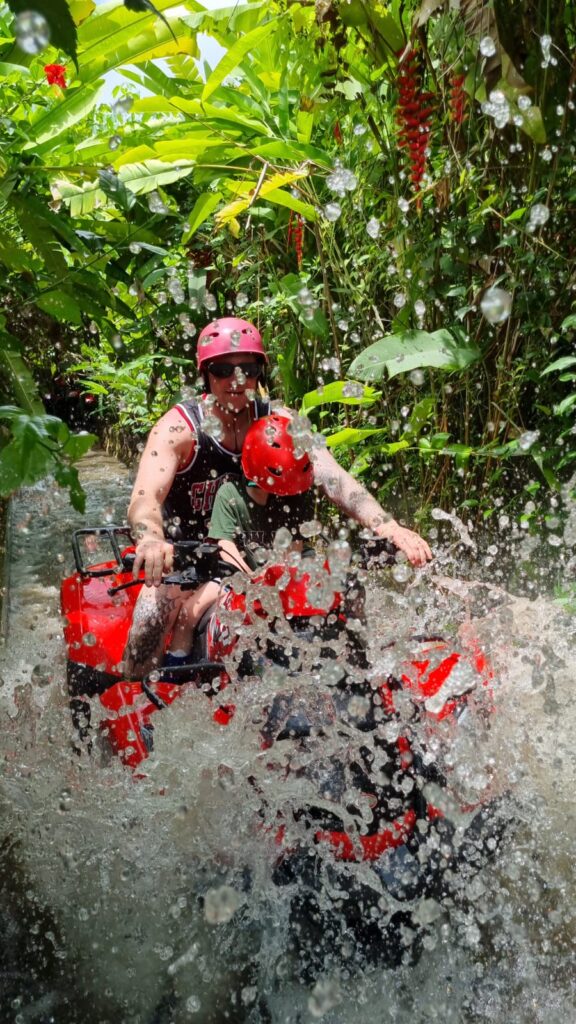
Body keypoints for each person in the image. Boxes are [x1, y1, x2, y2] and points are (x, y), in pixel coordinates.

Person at [124, 317, 432, 679]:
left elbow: (333, 478)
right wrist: (151, 539)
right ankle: (140, 692)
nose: (237, 380)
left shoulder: (282, 422)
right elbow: (145, 497)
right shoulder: (178, 430)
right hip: (189, 562)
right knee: (150, 615)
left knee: (347, 594)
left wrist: (387, 526)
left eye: (248, 370)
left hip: (268, 565)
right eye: (223, 370)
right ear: (206, 374)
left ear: (260, 373)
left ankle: (363, 675)